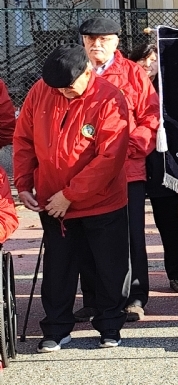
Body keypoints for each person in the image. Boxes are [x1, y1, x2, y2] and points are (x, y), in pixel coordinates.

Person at [14, 45, 130, 351]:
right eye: (58, 89)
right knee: (58, 270)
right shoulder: (42, 91)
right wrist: (24, 183)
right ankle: (56, 328)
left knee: (108, 268)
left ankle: (109, 325)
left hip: (102, 202)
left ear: (87, 72)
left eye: (69, 88)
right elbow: (23, 138)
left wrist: (70, 194)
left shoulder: (109, 98)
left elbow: (109, 158)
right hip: (53, 202)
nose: (63, 93)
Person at [77, 17, 159, 322]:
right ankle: (94, 298)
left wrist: (133, 148)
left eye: (103, 39)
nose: (96, 44)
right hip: (85, 171)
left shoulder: (133, 73)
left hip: (127, 170)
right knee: (88, 235)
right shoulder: (77, 71)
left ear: (116, 42)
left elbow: (151, 116)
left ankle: (135, 297)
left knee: (130, 236)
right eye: (90, 39)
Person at [128, 41, 178, 294]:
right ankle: (132, 284)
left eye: (153, 60)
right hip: (132, 161)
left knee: (169, 223)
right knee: (131, 227)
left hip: (161, 165)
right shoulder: (126, 83)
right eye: (143, 59)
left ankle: (176, 274)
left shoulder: (170, 87)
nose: (148, 65)